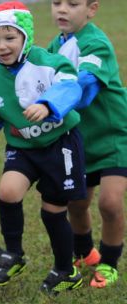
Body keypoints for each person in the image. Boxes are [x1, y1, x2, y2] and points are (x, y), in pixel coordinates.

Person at [0, 1, 87, 296]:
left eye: (9, 38)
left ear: (26, 37)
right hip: (23, 147)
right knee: (7, 192)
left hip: (59, 144)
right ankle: (13, 254)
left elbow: (70, 85)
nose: (2, 46)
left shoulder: (46, 62)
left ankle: (66, 270)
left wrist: (48, 104)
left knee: (53, 211)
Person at [47, 0, 127, 288]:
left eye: (73, 3)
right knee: (77, 203)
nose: (62, 9)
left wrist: (51, 102)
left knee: (110, 202)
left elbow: (84, 84)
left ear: (92, 9)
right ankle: (85, 254)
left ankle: (108, 263)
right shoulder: (54, 47)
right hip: (79, 139)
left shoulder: (96, 43)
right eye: (56, 3)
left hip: (113, 134)